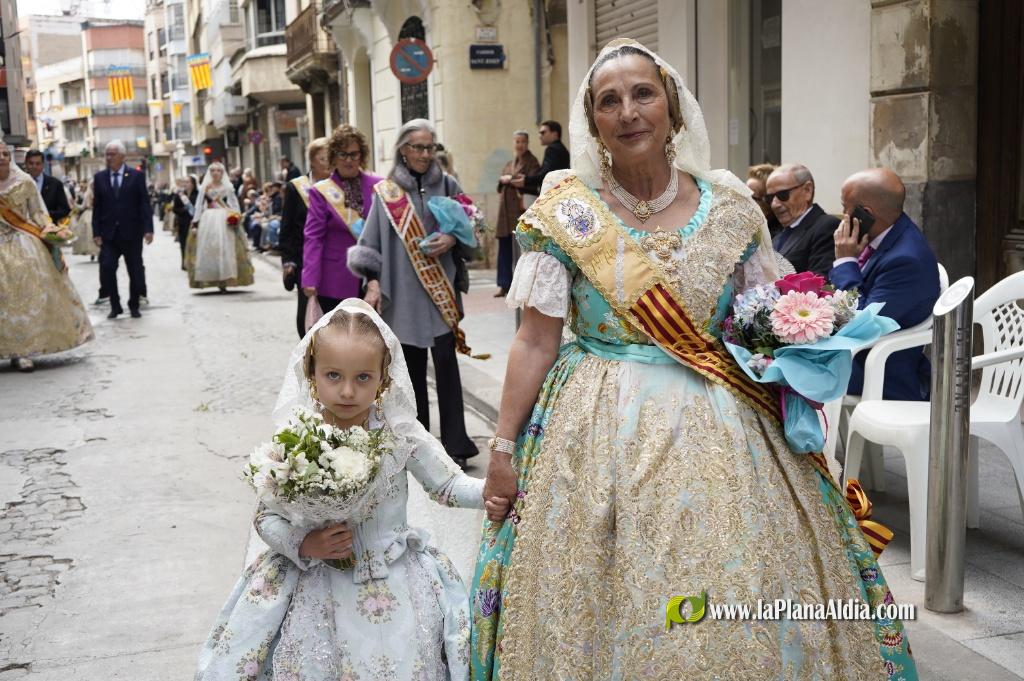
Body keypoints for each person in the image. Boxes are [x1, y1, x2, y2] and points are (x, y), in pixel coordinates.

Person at [469, 39, 917, 680]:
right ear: (593, 122)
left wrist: (807, 348)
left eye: (643, 94)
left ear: (674, 111)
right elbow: (535, 340)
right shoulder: (566, 214)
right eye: (609, 101)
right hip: (592, 426)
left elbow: (765, 322)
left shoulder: (733, 209)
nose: (628, 112)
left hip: (724, 418)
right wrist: (503, 452)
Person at [195, 299, 506, 680]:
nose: (347, 391)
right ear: (312, 373)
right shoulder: (296, 439)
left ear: (383, 378)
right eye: (333, 375)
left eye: (363, 377)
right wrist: (303, 544)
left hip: (394, 577)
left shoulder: (400, 434)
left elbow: (447, 485)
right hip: (313, 580)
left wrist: (490, 490)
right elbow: (265, 517)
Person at [348, 118, 481, 469]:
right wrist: (373, 281)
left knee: (448, 367)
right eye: (418, 147)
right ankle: (418, 444)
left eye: (430, 147)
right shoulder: (388, 192)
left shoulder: (448, 184)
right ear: (403, 150)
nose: (425, 154)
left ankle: (457, 444)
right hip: (403, 292)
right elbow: (370, 242)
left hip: (442, 290)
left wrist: (453, 238)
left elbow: (473, 226)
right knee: (411, 373)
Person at [831, 168, 940, 400]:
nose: (842, 215)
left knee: (788, 370)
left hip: (878, 371)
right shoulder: (886, 234)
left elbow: (861, 322)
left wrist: (845, 261)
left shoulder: (906, 260)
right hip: (857, 354)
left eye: (845, 207)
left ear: (865, 213)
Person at [0, 138, 93, 372]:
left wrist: (51, 230)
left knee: (28, 293)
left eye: (5, 154)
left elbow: (39, 214)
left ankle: (25, 351)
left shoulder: (24, 182)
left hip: (23, 243)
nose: (1, 158)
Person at [302, 125, 382, 328]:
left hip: (374, 275)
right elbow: (314, 237)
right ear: (333, 157)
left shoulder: (379, 185)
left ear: (362, 155)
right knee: (340, 343)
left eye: (354, 154)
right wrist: (310, 277)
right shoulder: (321, 191)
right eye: (342, 154)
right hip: (335, 278)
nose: (348, 160)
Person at [92, 140, 153, 319]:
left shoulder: (136, 176)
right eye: (107, 154)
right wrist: (96, 232)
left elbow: (144, 204)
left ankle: (134, 304)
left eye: (112, 154)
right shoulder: (100, 177)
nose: (109, 158)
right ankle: (115, 305)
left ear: (122, 156)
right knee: (108, 267)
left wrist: (148, 229)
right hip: (109, 234)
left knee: (134, 270)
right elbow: (97, 208)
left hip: (132, 232)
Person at [279, 137, 330, 338]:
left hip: (334, 259)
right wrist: (288, 261)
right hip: (305, 259)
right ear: (312, 161)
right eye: (322, 158)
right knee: (307, 311)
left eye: (330, 157)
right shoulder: (297, 187)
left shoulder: (339, 187)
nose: (327, 162)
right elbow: (287, 227)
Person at [186, 162, 254, 291]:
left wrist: (236, 216)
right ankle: (212, 278)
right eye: (213, 171)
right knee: (210, 248)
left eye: (218, 171)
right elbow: (199, 205)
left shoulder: (228, 187)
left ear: (222, 173)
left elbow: (234, 203)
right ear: (210, 173)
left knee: (226, 248)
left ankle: (225, 279)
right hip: (208, 219)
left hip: (224, 218)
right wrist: (195, 221)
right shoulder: (204, 187)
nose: (215, 173)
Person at [766, 163, 837, 276]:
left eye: (782, 194)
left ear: (807, 190)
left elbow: (820, 282)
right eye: (769, 198)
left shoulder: (826, 227)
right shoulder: (777, 233)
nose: (774, 204)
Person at [495, 131, 540, 297]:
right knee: (504, 248)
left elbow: (533, 182)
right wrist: (504, 180)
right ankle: (504, 284)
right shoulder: (509, 162)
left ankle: (521, 286)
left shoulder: (532, 162)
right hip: (505, 212)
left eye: (523, 142)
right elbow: (499, 184)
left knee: (522, 249)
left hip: (521, 211)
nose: (520, 145)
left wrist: (510, 178)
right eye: (517, 142)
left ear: (527, 143)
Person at [515, 120, 569, 196]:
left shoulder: (552, 149)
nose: (540, 136)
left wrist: (526, 180)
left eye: (543, 132)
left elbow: (547, 175)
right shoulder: (559, 148)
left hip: (555, 195)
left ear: (555, 134)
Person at [24, 149, 71, 224]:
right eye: (31, 163)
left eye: (38, 163)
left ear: (43, 164)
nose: (34, 166)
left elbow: (65, 210)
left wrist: (45, 215)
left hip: (50, 231)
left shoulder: (55, 184)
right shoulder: (19, 184)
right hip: (26, 230)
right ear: (26, 164)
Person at [746, 162, 782, 237]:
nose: (745, 202)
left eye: (752, 198)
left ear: (768, 200)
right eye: (744, 195)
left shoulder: (776, 236)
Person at [172, 175, 199, 271]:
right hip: (183, 222)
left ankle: (195, 262)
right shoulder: (180, 195)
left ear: (193, 184)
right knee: (183, 242)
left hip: (195, 222)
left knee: (195, 243)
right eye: (185, 182)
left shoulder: (198, 194)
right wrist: (184, 209)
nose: (186, 184)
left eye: (188, 182)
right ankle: (184, 262)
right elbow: (175, 209)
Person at [70, 180, 99, 259]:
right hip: (89, 213)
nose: (94, 186)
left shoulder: (101, 193)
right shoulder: (87, 194)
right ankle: (92, 252)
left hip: (98, 213)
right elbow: (82, 207)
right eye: (92, 185)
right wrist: (74, 204)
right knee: (89, 231)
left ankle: (99, 251)